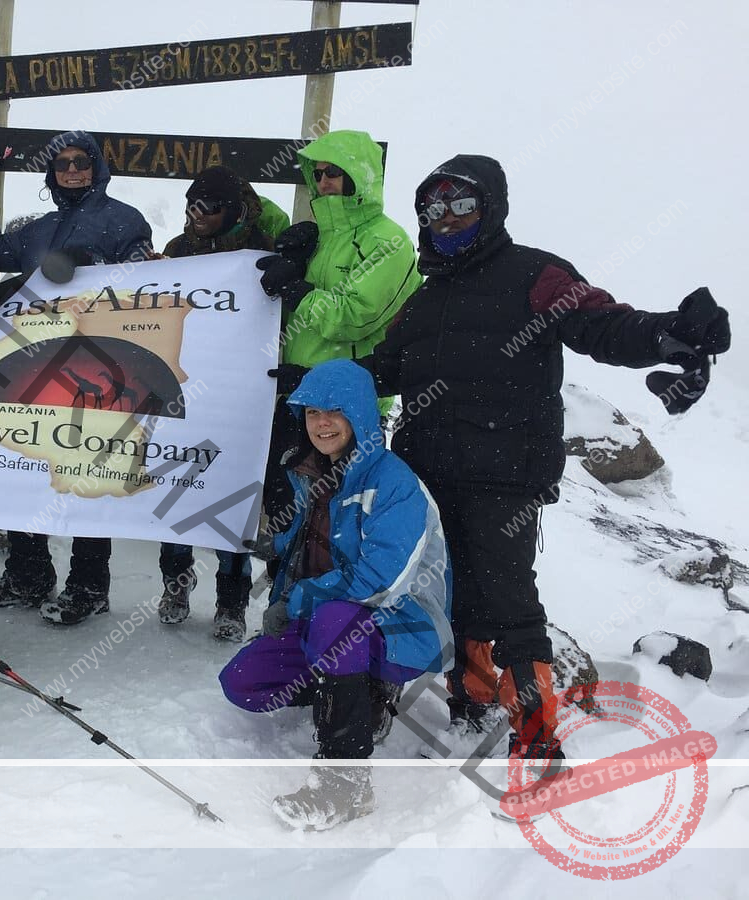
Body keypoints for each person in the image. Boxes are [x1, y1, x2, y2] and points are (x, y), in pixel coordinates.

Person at [372, 155, 731, 768]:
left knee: (510, 603)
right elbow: (384, 366)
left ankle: (538, 738)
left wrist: (669, 334)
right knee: (447, 592)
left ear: (491, 207)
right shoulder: (427, 297)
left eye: (462, 203)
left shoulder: (535, 274)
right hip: (427, 473)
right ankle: (470, 701)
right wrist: (312, 382)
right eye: (434, 208)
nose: (447, 218)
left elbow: (601, 324)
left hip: (505, 474)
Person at [219, 359, 452, 830]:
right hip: (334, 621)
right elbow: (298, 557)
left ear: (361, 414)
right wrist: (279, 601)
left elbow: (380, 582)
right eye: (311, 413)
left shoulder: (394, 482)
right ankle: (356, 691)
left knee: (333, 620)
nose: (321, 423)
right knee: (245, 681)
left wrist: (299, 602)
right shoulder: (309, 477)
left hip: (407, 625)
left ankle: (345, 784)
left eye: (334, 411)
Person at [0, 127, 154, 626]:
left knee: (90, 474)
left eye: (81, 161)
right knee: (26, 468)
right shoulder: (38, 228)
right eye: (62, 163)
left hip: (96, 371)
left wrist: (103, 268)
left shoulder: (124, 219)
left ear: (97, 166)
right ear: (51, 172)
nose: (72, 170)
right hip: (36, 364)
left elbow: (145, 284)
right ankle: (28, 574)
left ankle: (89, 587)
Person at [255, 130, 421, 549]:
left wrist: (299, 290)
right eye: (319, 173)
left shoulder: (389, 240)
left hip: (353, 405)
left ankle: (336, 609)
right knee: (286, 513)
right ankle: (288, 606)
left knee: (338, 522)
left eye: (335, 173)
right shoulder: (320, 237)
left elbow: (353, 317)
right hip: (298, 394)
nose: (324, 181)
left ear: (359, 177)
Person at [156, 165, 276, 641]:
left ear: (234, 210)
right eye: (191, 205)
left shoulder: (261, 249)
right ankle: (176, 586)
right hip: (182, 389)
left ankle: (231, 602)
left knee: (231, 500)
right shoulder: (179, 251)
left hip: (236, 393)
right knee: (173, 493)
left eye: (209, 206)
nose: (197, 215)